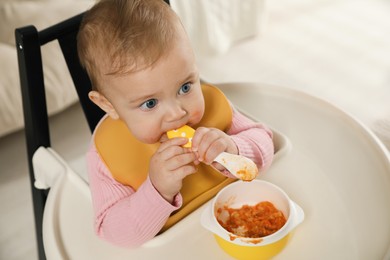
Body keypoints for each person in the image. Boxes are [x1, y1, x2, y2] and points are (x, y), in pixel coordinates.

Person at [77, 0, 274, 248]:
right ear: (108, 105)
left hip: (244, 222)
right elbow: (113, 231)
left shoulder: (214, 106)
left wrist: (234, 149)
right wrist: (157, 190)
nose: (177, 114)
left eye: (185, 86)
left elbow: (266, 143)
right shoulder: (107, 153)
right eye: (150, 104)